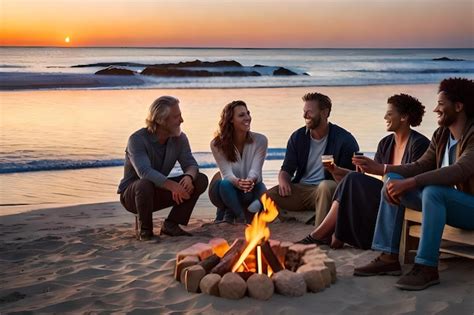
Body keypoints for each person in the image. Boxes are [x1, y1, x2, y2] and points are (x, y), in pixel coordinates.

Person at [354, 78, 474, 290]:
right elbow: (420, 165)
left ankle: (427, 267)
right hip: (442, 204)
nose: (436, 109)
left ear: (458, 106)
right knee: (393, 181)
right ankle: (389, 257)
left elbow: (459, 171)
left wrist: (413, 182)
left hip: (468, 207)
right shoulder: (442, 135)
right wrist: (382, 170)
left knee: (434, 191)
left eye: (441, 103)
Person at [297, 94, 430, 249]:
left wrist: (378, 169)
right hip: (384, 197)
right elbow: (375, 179)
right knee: (352, 178)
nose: (385, 116)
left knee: (353, 180)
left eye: (389, 113)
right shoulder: (385, 143)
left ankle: (320, 235)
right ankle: (331, 234)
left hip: (402, 201)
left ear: (404, 117)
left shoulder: (419, 144)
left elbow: (415, 176)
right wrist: (338, 171)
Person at [118, 96, 208, 241]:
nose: (181, 120)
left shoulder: (180, 138)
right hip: (133, 196)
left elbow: (191, 164)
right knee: (145, 183)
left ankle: (171, 225)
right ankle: (145, 231)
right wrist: (173, 186)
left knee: (200, 179)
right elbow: (144, 172)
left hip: (158, 190)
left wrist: (189, 177)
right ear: (161, 120)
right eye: (176, 117)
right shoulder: (137, 140)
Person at [267, 92, 359, 226]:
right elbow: (287, 169)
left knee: (325, 186)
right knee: (268, 196)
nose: (305, 116)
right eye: (304, 112)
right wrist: (283, 180)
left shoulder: (344, 140)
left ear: (325, 113)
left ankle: (319, 229)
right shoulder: (297, 137)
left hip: (329, 190)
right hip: (302, 189)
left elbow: (352, 179)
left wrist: (335, 170)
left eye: (309, 112)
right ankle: (303, 217)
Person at [209, 100, 268, 224]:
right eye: (241, 115)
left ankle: (232, 213)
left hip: (249, 189)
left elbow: (256, 170)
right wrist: (237, 182)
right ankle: (241, 217)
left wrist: (250, 180)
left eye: (248, 113)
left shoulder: (261, 140)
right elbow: (226, 173)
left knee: (262, 188)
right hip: (225, 191)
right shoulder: (217, 144)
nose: (247, 118)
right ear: (231, 119)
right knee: (224, 184)